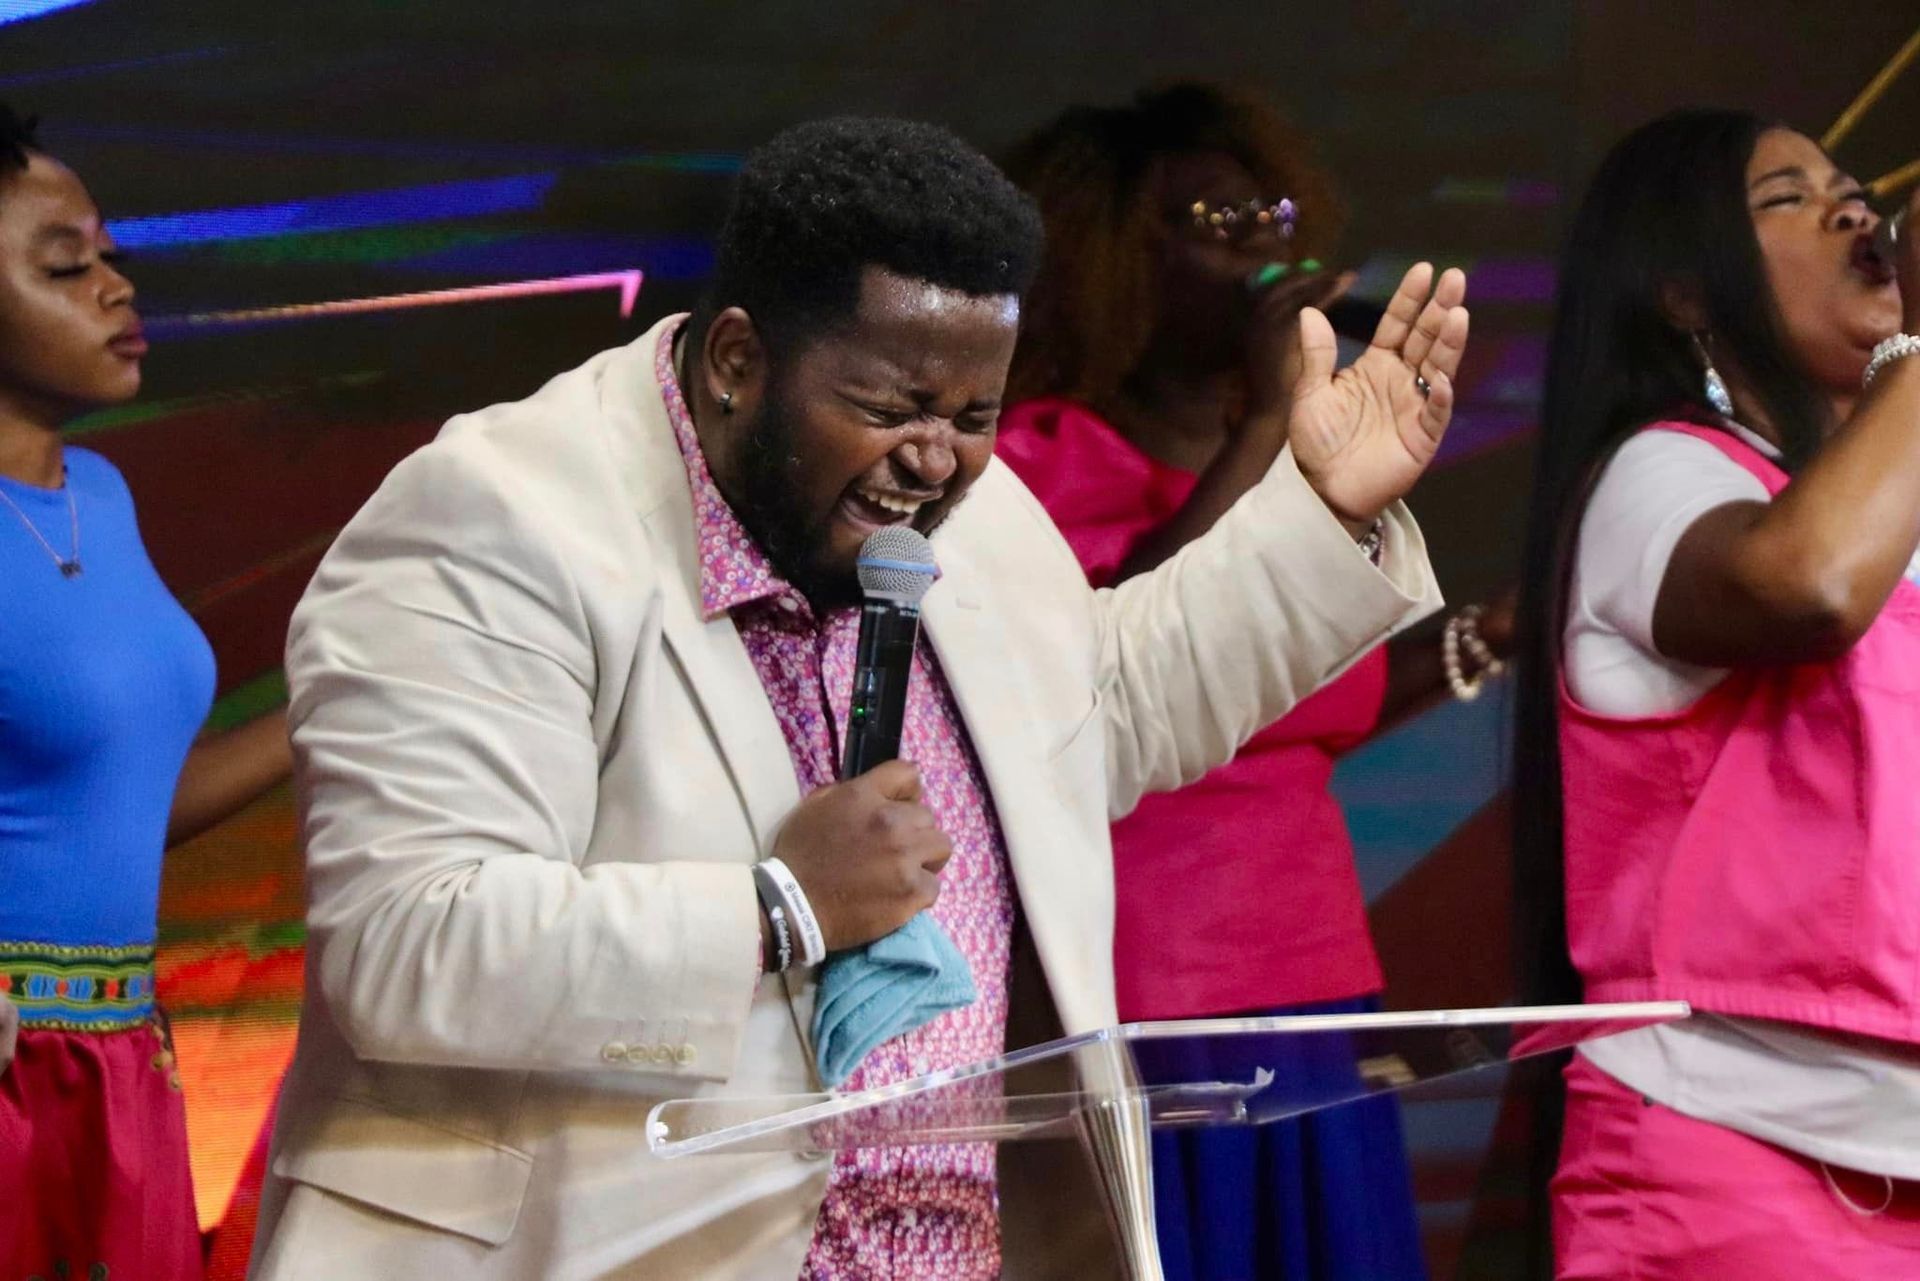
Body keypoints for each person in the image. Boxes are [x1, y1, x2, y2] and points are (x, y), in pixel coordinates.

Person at [250, 114, 1468, 1279]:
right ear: (738, 361)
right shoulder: (498, 519)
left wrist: (1324, 510)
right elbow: (412, 944)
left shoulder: (962, 508)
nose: (935, 460)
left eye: (972, 417)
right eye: (888, 410)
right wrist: (780, 910)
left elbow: (1104, 711)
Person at [996, 83, 1508, 1280]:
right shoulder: (1040, 458)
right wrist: (1276, 415)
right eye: (1213, 218)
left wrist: (1489, 631)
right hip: (1160, 993)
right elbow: (1132, 659)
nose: (1266, 240)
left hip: (1321, 979)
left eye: (1271, 209)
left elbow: (1328, 704)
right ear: (1111, 258)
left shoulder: (1305, 463)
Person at [1513, 108, 1920, 1277]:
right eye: (1788, 197)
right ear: (1687, 293)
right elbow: (1813, 586)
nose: (1856, 209)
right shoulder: (1662, 475)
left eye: (1854, 186)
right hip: (1736, 1162)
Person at [0, 105, 294, 1280]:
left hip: (119, 1059)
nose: (117, 286)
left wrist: (334, 697)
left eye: (110, 255)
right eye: (67, 265)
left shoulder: (102, 495)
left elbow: (122, 803)